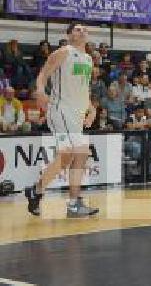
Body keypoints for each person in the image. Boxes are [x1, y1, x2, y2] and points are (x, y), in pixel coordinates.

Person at [24, 23, 99, 218]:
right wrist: (40, 91)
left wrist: (92, 109)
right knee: (80, 152)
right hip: (61, 110)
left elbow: (84, 89)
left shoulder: (89, 59)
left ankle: (37, 190)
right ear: (69, 35)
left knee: (67, 157)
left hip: (77, 113)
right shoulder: (63, 52)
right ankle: (74, 203)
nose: (81, 31)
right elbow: (43, 74)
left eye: (84, 29)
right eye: (77, 29)